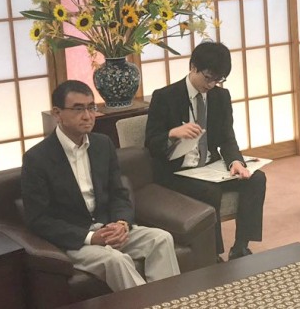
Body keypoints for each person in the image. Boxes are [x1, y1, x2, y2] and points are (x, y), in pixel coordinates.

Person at [21, 80, 180, 292]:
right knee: (116, 260)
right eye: (78, 109)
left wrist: (122, 223)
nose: (87, 116)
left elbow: (119, 194)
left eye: (91, 107)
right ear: (57, 113)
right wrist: (89, 237)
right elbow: (38, 219)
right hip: (76, 240)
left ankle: (171, 302)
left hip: (108, 228)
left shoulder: (102, 144)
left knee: (161, 239)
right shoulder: (37, 158)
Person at [145, 41, 266, 261]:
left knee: (255, 178)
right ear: (193, 67)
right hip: (177, 171)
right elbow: (151, 143)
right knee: (210, 191)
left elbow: (228, 138)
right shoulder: (165, 96)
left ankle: (240, 246)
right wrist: (173, 132)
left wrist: (236, 162)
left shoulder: (221, 96)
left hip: (209, 166)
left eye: (218, 79)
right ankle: (212, 253)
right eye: (208, 77)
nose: (211, 85)